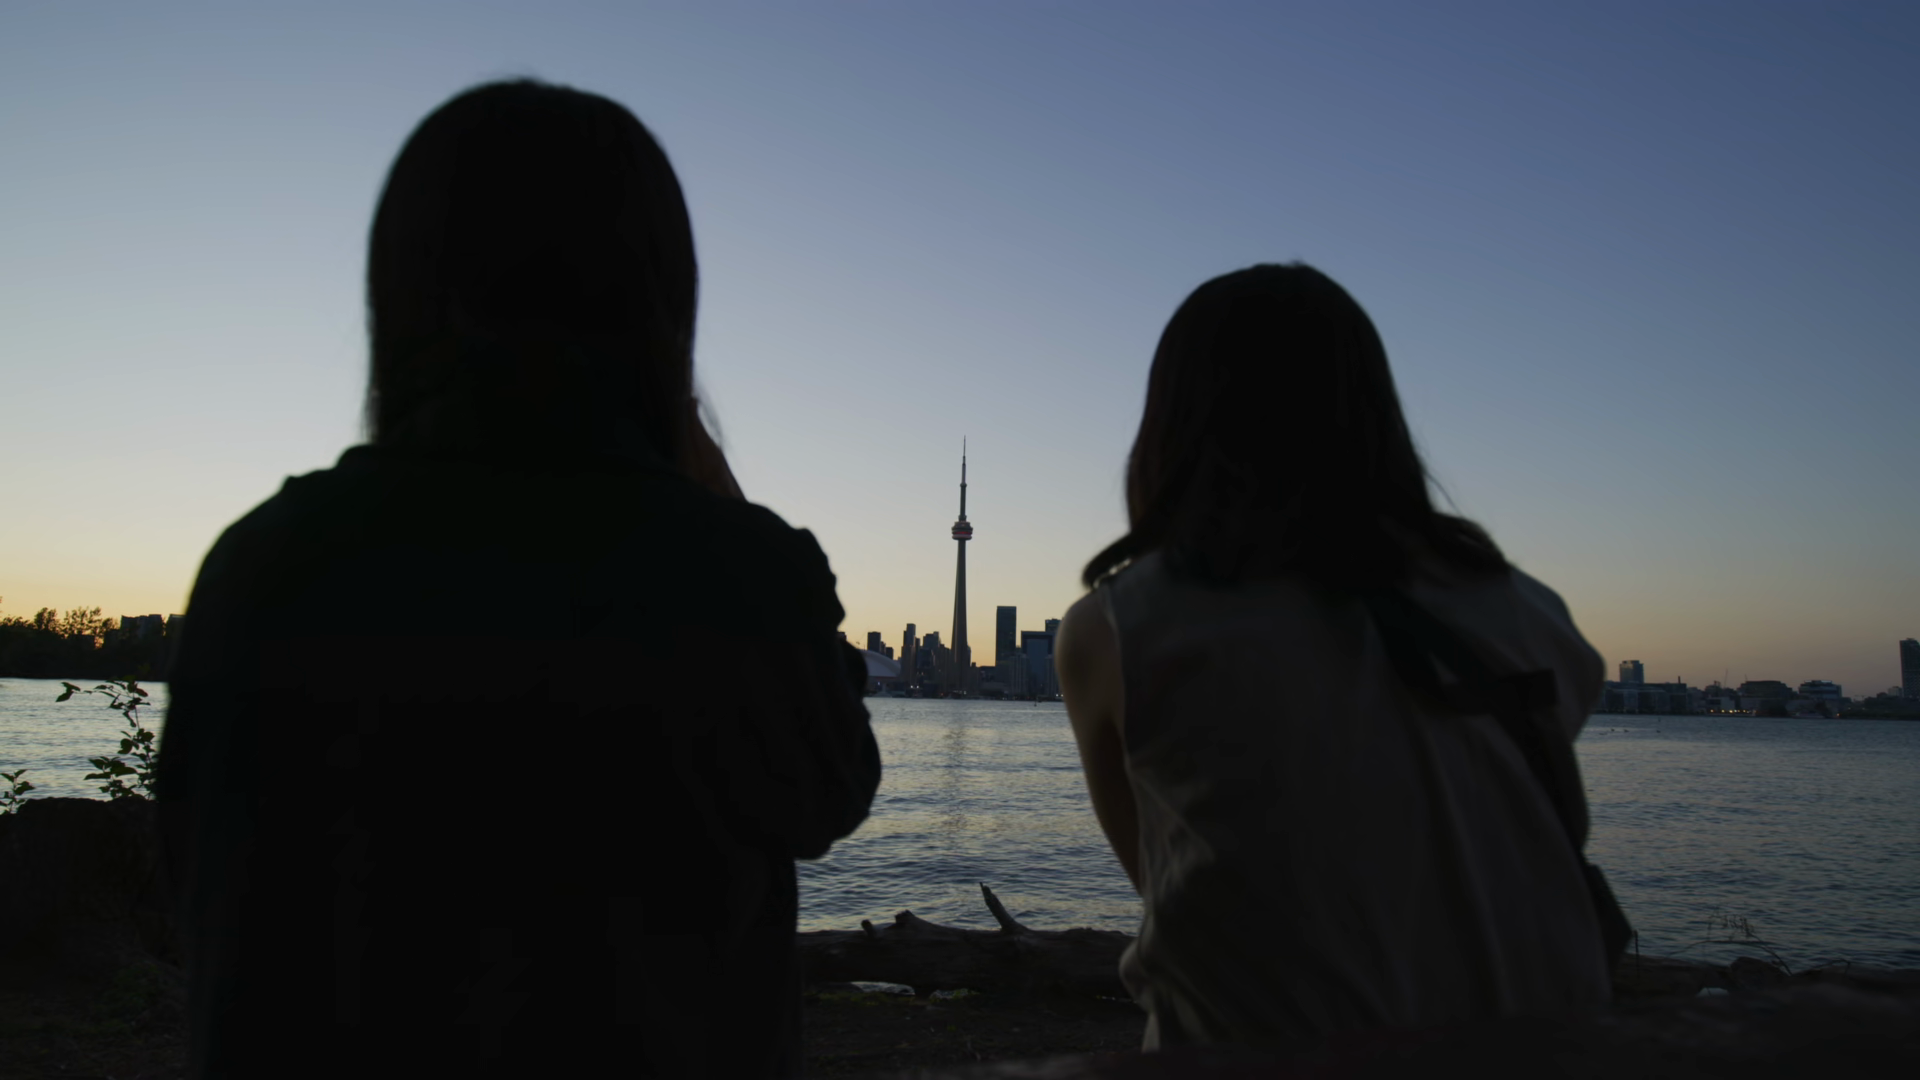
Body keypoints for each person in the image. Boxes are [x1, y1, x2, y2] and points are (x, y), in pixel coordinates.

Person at [154, 79, 880, 1078]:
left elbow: (201, 878)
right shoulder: (728, 578)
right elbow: (830, 790)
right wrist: (711, 481)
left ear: (401, 289)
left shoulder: (262, 565)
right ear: (663, 305)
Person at [1055, 263, 1613, 1052]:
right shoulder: (1533, 616)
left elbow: (1168, 883)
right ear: (1378, 417)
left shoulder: (1118, 631)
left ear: (1171, 426)